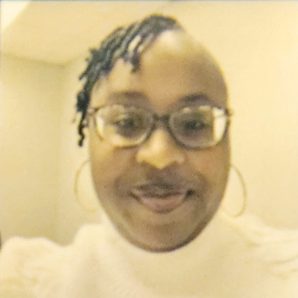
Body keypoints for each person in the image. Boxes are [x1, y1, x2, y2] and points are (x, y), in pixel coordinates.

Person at [0, 14, 298, 298]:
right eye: (128, 122)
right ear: (88, 135)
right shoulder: (26, 284)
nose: (161, 156)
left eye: (194, 123)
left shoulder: (287, 277)